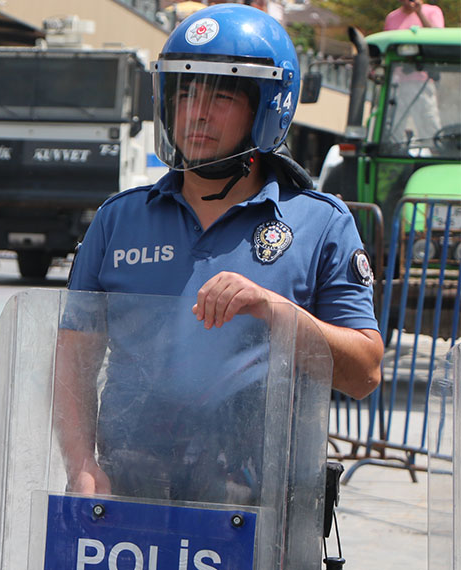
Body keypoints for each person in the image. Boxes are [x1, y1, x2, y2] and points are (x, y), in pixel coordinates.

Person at [55, 4, 383, 499]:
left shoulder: (322, 224)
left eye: (222, 95)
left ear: (268, 107)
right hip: (129, 492)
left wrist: (279, 313)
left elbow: (364, 374)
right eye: (184, 93)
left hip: (261, 502)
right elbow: (73, 360)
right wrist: (80, 464)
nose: (196, 112)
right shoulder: (119, 219)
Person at [384, 0, 445, 152]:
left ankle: (436, 156)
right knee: (393, 129)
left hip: (422, 82)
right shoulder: (392, 17)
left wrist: (419, 13)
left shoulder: (432, 12)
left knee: (429, 126)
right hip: (396, 84)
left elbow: (438, 39)